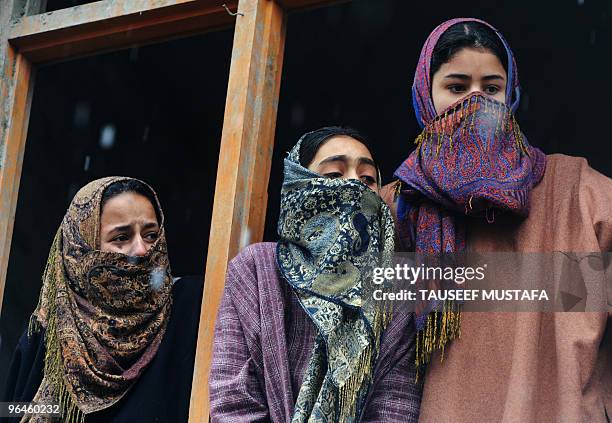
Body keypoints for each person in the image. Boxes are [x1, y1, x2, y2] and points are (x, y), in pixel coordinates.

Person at [384, 18, 612, 422]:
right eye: (456, 88)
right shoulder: (398, 205)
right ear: (424, 95)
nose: (476, 101)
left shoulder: (576, 190)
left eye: (491, 88)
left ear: (512, 95)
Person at [209, 126, 421, 422]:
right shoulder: (256, 269)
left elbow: (395, 406)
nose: (354, 186)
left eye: (368, 179)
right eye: (334, 174)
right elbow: (233, 401)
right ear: (299, 185)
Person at [2, 177, 203, 423]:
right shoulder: (50, 329)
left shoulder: (191, 307)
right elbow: (9, 410)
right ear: (82, 248)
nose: (142, 249)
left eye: (151, 235)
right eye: (121, 237)